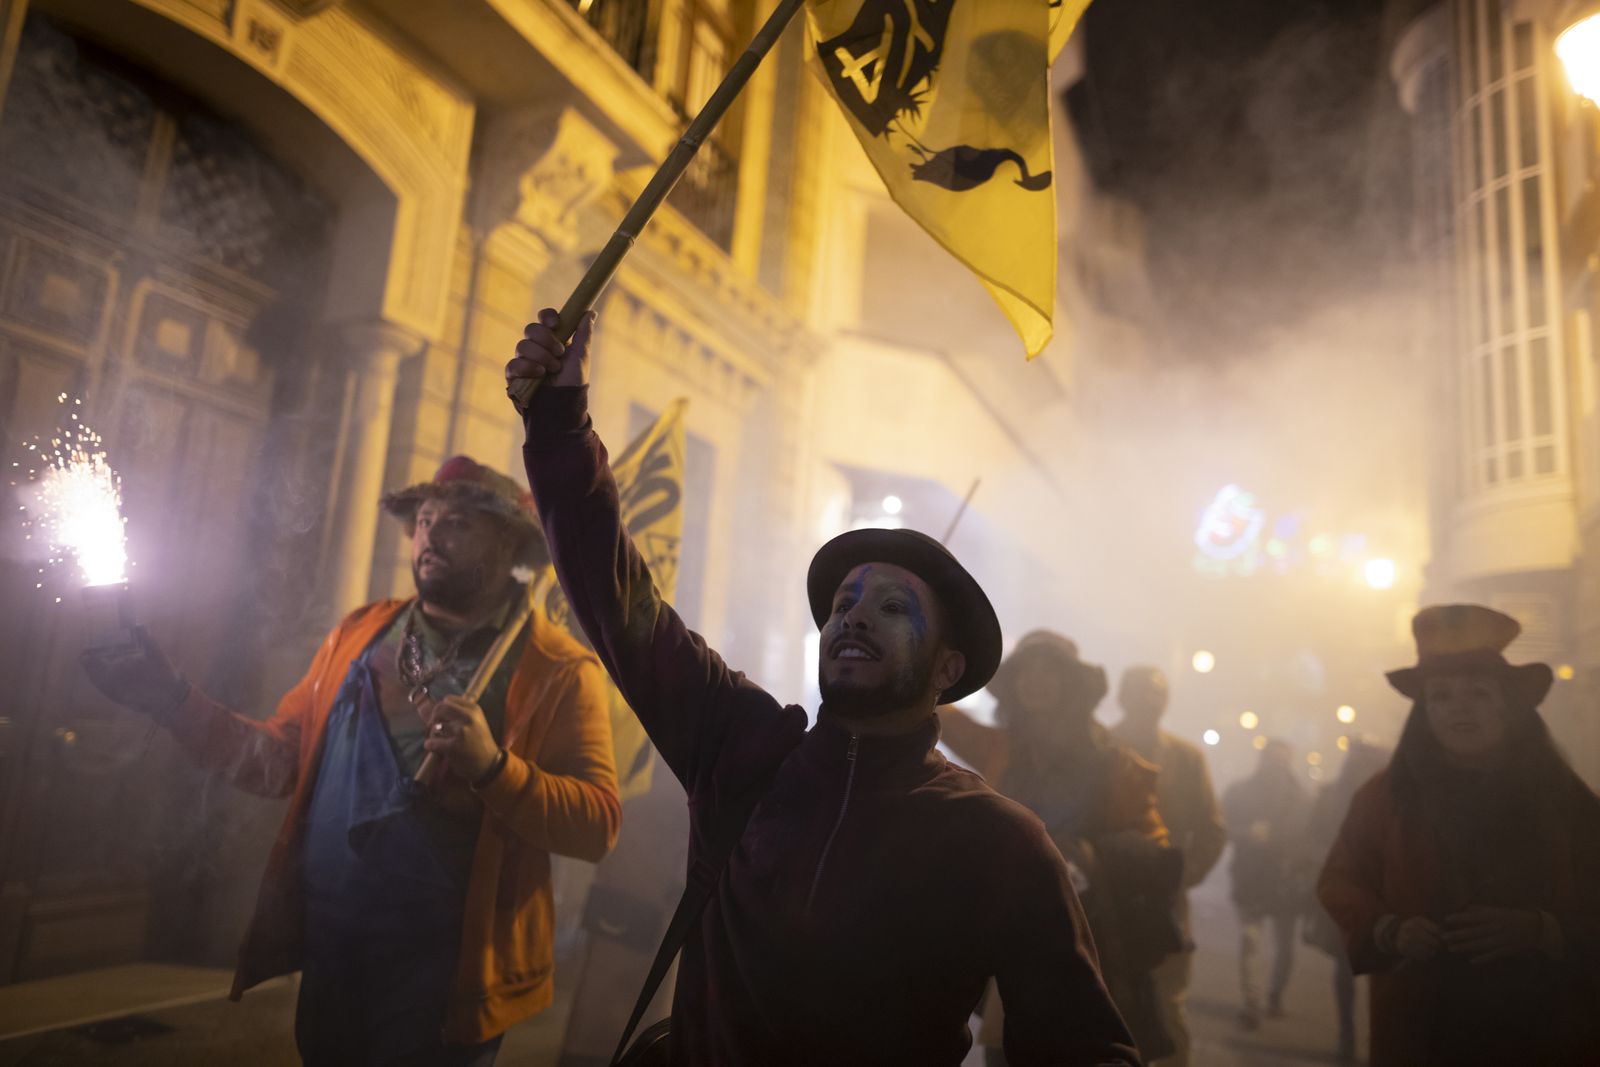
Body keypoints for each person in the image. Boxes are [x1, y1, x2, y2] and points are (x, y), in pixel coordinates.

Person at [509, 309, 1140, 1066]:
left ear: (947, 670)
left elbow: (1084, 1048)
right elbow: (620, 601)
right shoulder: (743, 748)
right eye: (844, 601)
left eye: (892, 607)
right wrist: (557, 418)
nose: (854, 617)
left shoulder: (997, 840)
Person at [80, 456, 622, 1066]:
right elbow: (278, 761)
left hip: (444, 979)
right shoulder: (359, 634)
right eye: (423, 520)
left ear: (508, 543)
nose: (430, 537)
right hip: (334, 953)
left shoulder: (556, 670)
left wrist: (495, 768)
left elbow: (598, 824)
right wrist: (171, 701)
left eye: (458, 524)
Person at [1318, 604, 1600, 1066]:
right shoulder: (1386, 797)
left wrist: (1543, 930)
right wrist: (1391, 931)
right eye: (1441, 697)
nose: (1459, 709)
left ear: (1508, 704)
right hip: (1422, 1028)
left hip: (1543, 1028)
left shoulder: (1564, 800)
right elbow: (1340, 880)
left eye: (1479, 693)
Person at [940, 633, 1182, 1065]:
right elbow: (935, 707)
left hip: (1086, 939)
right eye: (1024, 671)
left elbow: (1152, 848)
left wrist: (1086, 856)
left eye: (1048, 670)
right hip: (1010, 933)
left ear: (1072, 684)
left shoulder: (1113, 763)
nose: (1035, 681)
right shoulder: (1002, 747)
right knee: (1004, 1048)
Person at [1110, 666, 1227, 1067]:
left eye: (1157, 693)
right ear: (1122, 698)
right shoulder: (1101, 748)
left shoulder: (1187, 758)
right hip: (1107, 901)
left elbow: (1212, 830)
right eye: (1141, 692)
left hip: (1167, 906)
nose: (1150, 700)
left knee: (1167, 1006)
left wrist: (1180, 877)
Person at [1301, 736, 1388, 1063]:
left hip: (1367, 893)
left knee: (1351, 968)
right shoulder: (1340, 798)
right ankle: (1351, 1037)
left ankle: (1351, 1037)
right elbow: (1311, 840)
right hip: (1349, 892)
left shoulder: (1382, 799)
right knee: (1353, 966)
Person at [1223, 737, 1308, 1029]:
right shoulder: (1241, 793)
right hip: (1251, 877)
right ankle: (1254, 1002)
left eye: (1282, 760)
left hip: (1286, 881)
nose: (1276, 765)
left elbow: (1309, 839)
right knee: (1252, 941)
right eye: (1273, 759)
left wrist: (1282, 843)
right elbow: (1220, 826)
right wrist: (1246, 833)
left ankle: (1273, 995)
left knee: (1284, 945)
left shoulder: (1301, 801)